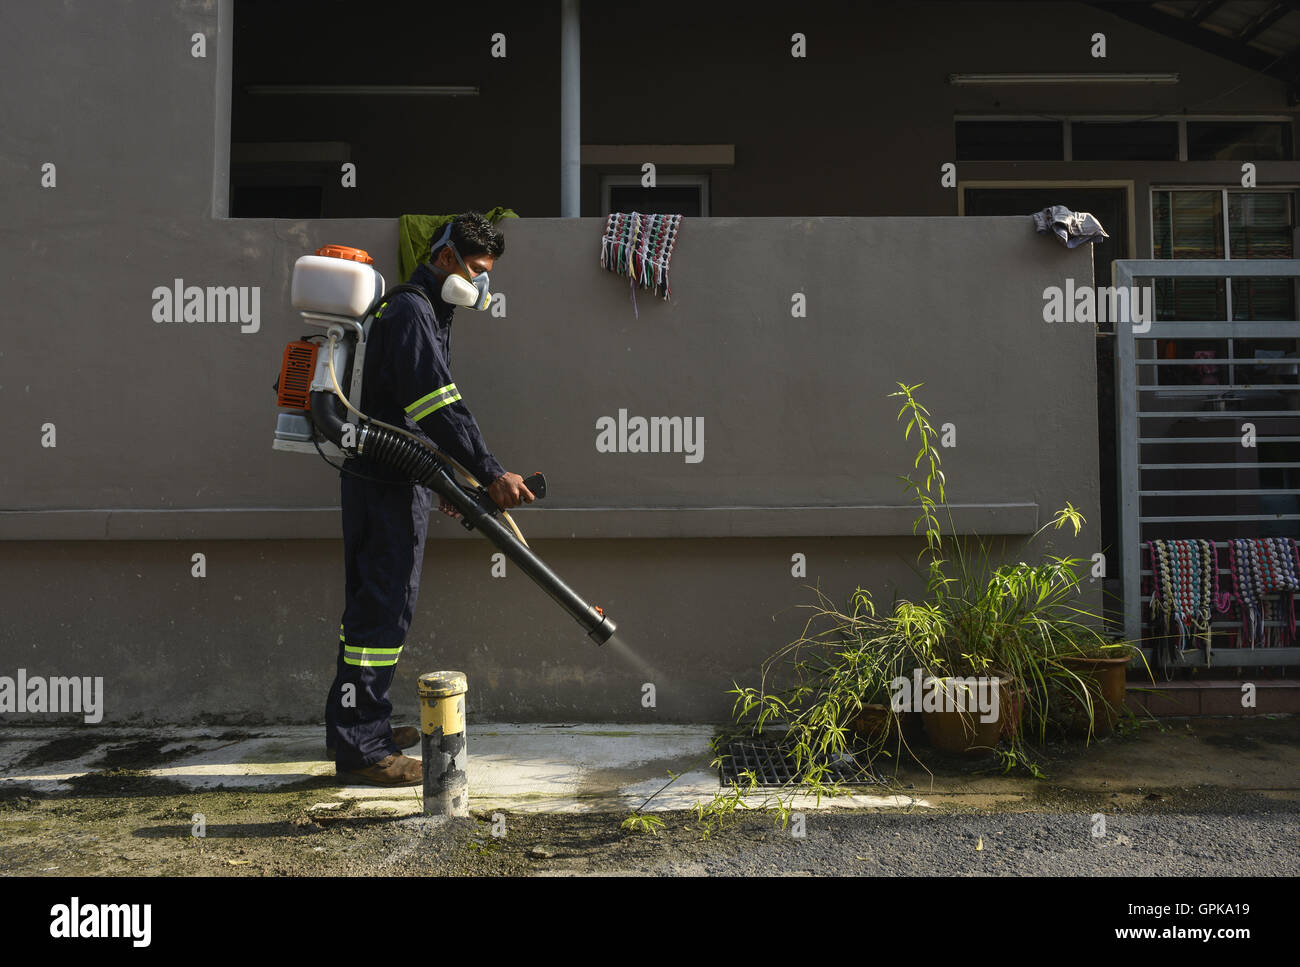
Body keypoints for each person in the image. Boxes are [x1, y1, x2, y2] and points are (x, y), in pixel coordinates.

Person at [325, 212, 534, 786]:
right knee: (383, 610)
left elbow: (413, 414)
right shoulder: (414, 310)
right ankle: (363, 751)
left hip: (391, 479)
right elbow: (438, 407)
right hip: (385, 485)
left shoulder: (423, 310)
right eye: (478, 270)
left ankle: (356, 724)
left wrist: (446, 479)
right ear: (446, 259)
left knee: (372, 608)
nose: (483, 284)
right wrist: (490, 473)